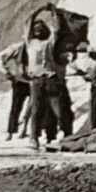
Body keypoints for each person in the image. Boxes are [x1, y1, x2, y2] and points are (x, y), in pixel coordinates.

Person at [24, 8, 66, 151]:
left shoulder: (49, 42)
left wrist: (54, 13)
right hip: (36, 80)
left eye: (41, 28)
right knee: (36, 110)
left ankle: (61, 134)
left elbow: (56, 29)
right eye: (36, 29)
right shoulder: (30, 42)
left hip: (50, 77)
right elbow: (27, 24)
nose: (38, 31)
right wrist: (38, 11)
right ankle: (33, 138)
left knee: (57, 109)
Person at [0, 41, 31, 140]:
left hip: (33, 80)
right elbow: (0, 59)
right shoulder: (18, 47)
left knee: (32, 108)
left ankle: (25, 130)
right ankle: (11, 132)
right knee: (16, 107)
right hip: (20, 81)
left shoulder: (39, 45)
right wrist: (7, 72)